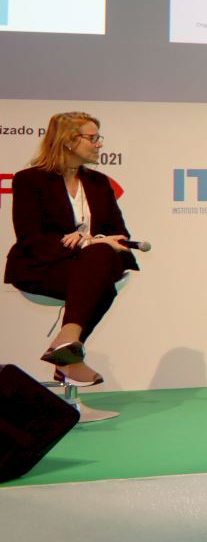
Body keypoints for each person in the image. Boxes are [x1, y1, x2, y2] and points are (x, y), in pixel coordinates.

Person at [5, 112, 138, 387]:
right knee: (101, 282)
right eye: (92, 138)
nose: (99, 144)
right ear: (68, 141)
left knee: (101, 257)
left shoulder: (99, 182)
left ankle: (66, 345)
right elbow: (30, 238)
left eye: (98, 138)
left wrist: (93, 241)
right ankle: (68, 356)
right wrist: (83, 243)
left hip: (93, 265)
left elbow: (120, 233)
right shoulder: (29, 180)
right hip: (44, 266)